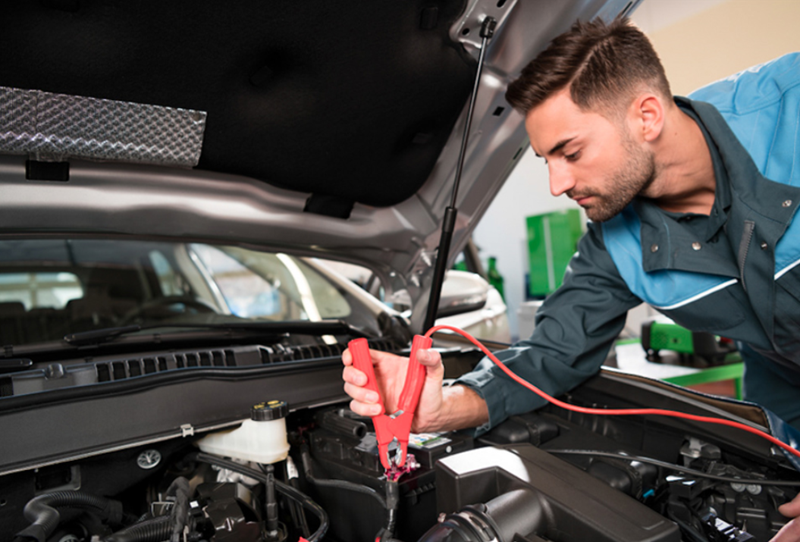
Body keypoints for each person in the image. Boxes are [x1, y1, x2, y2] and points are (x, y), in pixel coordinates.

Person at [342, 16, 800, 539]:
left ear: (647, 116)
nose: (557, 184)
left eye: (572, 152)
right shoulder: (613, 242)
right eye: (546, 160)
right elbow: (552, 354)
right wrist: (444, 407)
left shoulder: (790, 114)